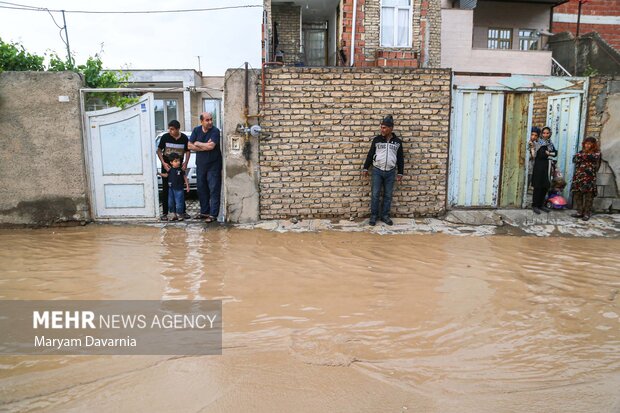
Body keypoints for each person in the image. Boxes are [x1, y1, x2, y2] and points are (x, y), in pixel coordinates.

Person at [362, 115, 404, 226]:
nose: (382, 130)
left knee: (388, 195)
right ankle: (374, 216)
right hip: (377, 171)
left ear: (391, 128)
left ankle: (385, 216)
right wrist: (366, 167)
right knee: (375, 194)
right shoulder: (377, 140)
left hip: (391, 172)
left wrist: (400, 172)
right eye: (381, 127)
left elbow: (400, 158)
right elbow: (370, 154)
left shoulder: (397, 142)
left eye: (384, 128)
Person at [189, 112, 222, 223]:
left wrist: (197, 143)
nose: (210, 122)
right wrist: (204, 146)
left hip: (214, 165)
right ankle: (204, 212)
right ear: (201, 121)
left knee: (214, 189)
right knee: (202, 189)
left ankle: (213, 214)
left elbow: (211, 146)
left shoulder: (215, 131)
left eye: (211, 119)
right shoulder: (196, 130)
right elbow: (189, 145)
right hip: (201, 165)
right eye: (207, 120)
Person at [157, 120, 190, 221]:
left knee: (179, 189)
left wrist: (185, 163)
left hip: (179, 167)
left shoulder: (184, 138)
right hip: (167, 167)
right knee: (166, 189)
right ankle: (165, 213)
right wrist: (163, 163)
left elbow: (188, 151)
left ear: (177, 129)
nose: (170, 131)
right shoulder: (165, 137)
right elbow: (158, 150)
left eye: (172, 129)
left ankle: (182, 212)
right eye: (169, 129)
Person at [571, 137, 601, 221]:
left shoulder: (597, 153)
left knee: (589, 197)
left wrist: (582, 156)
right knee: (578, 195)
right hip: (578, 178)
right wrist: (582, 156)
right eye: (586, 143)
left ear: (593, 145)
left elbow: (593, 158)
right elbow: (574, 159)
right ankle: (579, 212)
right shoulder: (581, 152)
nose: (587, 145)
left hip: (589, 178)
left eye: (589, 143)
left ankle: (587, 213)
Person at [530, 126, 557, 214]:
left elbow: (555, 153)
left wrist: (549, 153)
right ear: (541, 134)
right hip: (539, 167)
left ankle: (541, 205)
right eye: (544, 133)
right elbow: (541, 155)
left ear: (550, 134)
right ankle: (535, 205)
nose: (545, 135)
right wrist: (550, 154)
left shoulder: (550, 143)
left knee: (545, 186)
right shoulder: (538, 142)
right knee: (538, 186)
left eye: (547, 133)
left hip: (547, 167)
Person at [159, 153, 190, 221]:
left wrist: (187, 186)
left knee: (179, 202)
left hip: (179, 189)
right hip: (171, 189)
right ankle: (174, 215)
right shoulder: (170, 170)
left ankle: (180, 215)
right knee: (171, 202)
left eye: (178, 161)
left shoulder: (181, 170)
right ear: (171, 162)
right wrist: (159, 173)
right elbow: (166, 175)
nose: (178, 162)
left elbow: (185, 177)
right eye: (175, 161)